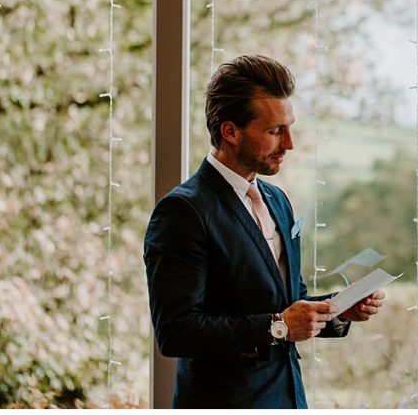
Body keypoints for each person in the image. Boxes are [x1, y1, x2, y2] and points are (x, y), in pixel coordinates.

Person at [144, 54, 385, 408]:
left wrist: (339, 310)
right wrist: (279, 327)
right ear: (230, 132)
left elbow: (286, 302)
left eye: (289, 128)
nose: (290, 143)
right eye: (275, 131)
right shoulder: (182, 212)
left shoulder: (277, 201)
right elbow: (176, 332)